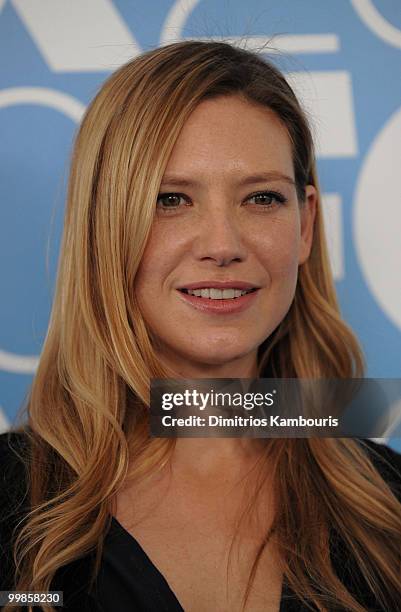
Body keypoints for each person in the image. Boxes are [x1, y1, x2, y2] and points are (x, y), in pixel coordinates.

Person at [1, 40, 401, 612]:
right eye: (171, 199)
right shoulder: (9, 505)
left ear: (306, 223)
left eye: (261, 198)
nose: (223, 245)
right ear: (101, 226)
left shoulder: (388, 504)